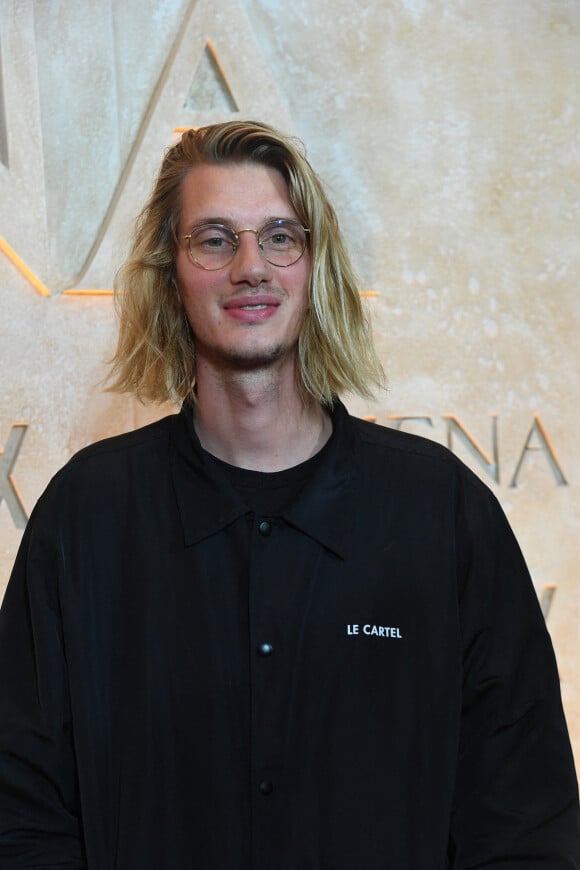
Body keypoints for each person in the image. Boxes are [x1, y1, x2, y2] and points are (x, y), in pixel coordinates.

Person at [0, 120, 578, 869]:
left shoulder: (443, 514)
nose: (251, 267)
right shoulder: (86, 517)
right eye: (215, 239)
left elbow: (525, 826)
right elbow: (19, 812)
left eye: (280, 236)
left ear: (315, 267)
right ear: (170, 274)